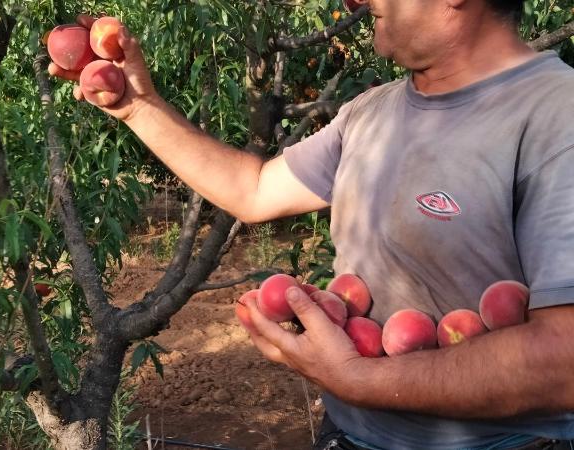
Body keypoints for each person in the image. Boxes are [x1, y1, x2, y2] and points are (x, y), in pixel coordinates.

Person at [50, 0, 574, 448]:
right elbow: (253, 190)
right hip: (347, 434)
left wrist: (360, 379)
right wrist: (138, 106)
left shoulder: (557, 115)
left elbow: (564, 361)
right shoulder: (372, 112)